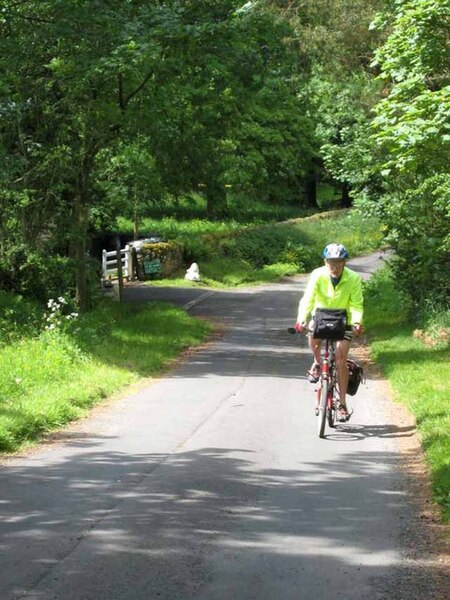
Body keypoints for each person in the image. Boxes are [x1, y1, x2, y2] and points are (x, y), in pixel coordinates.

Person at [295, 243, 363, 422]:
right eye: (331, 262)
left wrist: (356, 322)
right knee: (311, 334)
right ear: (325, 262)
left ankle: (342, 404)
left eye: (339, 262)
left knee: (340, 360)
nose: (335, 266)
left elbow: (356, 304)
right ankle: (318, 363)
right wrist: (301, 318)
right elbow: (308, 298)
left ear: (344, 262)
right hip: (321, 317)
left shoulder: (353, 278)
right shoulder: (317, 275)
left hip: (343, 321)